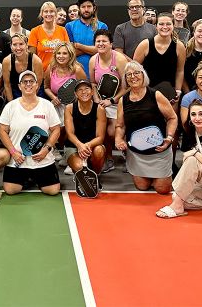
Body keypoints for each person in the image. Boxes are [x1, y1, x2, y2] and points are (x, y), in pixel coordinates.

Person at [115, 62, 178, 194]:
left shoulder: (156, 95)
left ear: (143, 75)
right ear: (125, 79)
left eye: (137, 73)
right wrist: (118, 139)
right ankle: (151, 176)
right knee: (142, 186)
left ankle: (163, 175)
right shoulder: (123, 100)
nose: (133, 77)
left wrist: (170, 137)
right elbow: (120, 125)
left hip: (159, 151)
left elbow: (172, 118)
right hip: (136, 153)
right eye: (129, 75)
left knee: (162, 189)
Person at [0, 70, 61, 196]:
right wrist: (13, 152)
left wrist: (46, 149)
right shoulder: (10, 106)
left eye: (31, 81)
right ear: (19, 86)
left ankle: (34, 177)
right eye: (24, 82)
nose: (28, 84)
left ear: (37, 85)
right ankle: (27, 177)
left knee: (52, 191)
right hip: (18, 160)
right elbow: (2, 131)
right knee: (11, 190)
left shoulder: (47, 105)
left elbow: (56, 129)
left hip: (42, 159)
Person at [89, 29, 128, 173]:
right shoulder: (93, 60)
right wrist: (97, 99)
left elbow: (128, 86)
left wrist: (112, 100)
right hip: (101, 102)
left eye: (104, 41)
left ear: (111, 44)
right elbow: (93, 83)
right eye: (98, 41)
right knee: (102, 131)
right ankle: (108, 158)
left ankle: (128, 154)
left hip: (119, 101)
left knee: (112, 132)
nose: (101, 43)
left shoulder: (119, 59)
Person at [133, 12, 185, 102]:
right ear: (156, 26)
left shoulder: (179, 46)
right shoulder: (145, 44)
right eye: (161, 24)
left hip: (170, 94)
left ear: (173, 26)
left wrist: (178, 90)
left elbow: (180, 71)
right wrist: (139, 89)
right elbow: (134, 69)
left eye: (168, 24)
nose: (165, 27)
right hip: (147, 92)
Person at [64, 79, 106, 175]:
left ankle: (95, 175)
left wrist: (86, 146)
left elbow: (100, 137)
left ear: (92, 92)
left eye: (87, 88)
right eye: (80, 90)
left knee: (99, 151)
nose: (84, 92)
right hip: (74, 145)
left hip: (92, 145)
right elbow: (70, 134)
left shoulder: (99, 109)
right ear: (75, 94)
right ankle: (79, 171)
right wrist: (79, 145)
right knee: (79, 167)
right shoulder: (69, 108)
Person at [43, 42, 86, 135]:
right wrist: (54, 98)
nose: (61, 56)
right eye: (58, 53)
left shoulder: (77, 70)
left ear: (70, 55)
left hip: (75, 107)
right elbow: (46, 87)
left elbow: (86, 90)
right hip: (56, 105)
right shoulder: (51, 68)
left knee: (66, 129)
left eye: (64, 53)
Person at [65, 0, 108, 76]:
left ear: (94, 8)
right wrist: (92, 49)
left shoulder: (102, 26)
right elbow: (70, 53)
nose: (86, 9)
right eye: (83, 7)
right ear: (79, 9)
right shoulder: (69, 26)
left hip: (98, 72)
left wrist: (79, 45)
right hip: (75, 73)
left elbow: (102, 51)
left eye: (89, 6)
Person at [28, 1, 70, 70]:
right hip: (41, 73)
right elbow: (32, 57)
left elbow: (68, 52)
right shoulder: (35, 31)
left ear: (55, 14)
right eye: (46, 11)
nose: (49, 14)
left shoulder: (62, 30)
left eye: (51, 11)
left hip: (60, 73)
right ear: (41, 14)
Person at [2, 33, 44, 101]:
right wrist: (12, 104)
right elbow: (7, 85)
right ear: (11, 46)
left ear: (26, 45)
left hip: (35, 92)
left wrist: (29, 101)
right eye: (15, 45)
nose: (18, 48)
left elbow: (38, 84)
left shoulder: (36, 61)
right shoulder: (7, 61)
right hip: (15, 92)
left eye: (21, 44)